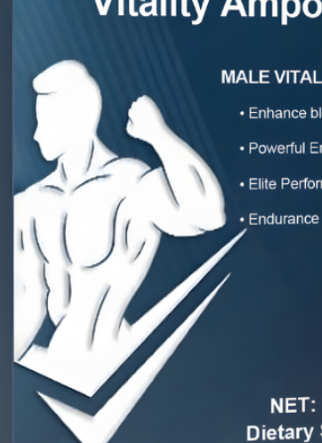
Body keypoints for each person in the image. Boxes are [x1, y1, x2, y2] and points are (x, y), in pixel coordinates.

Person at [14, 61, 227, 366]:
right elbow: (26, 301)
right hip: (57, 369)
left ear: (79, 117)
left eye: (46, 121)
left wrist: (159, 135)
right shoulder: (28, 204)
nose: (36, 134)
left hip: (118, 366)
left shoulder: (129, 184)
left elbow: (208, 213)